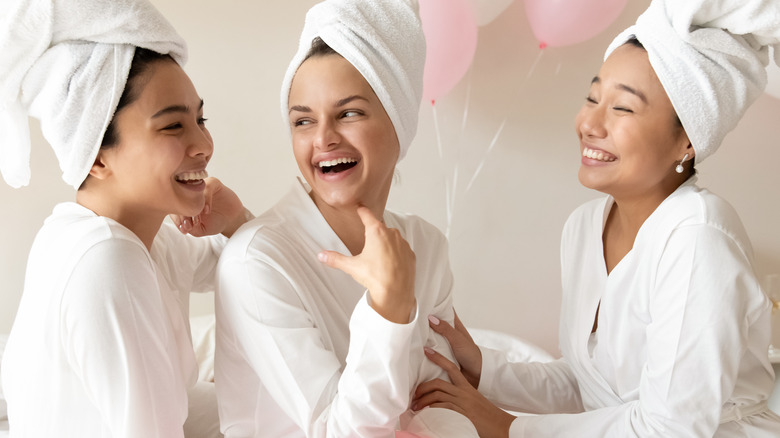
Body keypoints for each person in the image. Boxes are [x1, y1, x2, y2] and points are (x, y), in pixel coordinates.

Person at [412, 0, 780, 436]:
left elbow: (668, 429)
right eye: (592, 98)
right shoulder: (584, 227)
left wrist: (506, 426)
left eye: (622, 108)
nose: (590, 123)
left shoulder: (697, 237)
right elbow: (592, 387)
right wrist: (483, 369)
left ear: (687, 140)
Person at [214, 0, 476, 437]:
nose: (323, 139)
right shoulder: (255, 262)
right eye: (303, 121)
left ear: (399, 120)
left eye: (349, 113)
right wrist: (390, 311)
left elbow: (439, 397)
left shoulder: (425, 245)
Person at [0, 1, 250, 437]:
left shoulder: (131, 234)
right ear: (96, 156)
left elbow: (242, 269)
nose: (204, 144)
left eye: (200, 119)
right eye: (173, 126)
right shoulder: (105, 258)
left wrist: (235, 219)